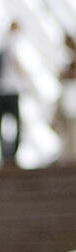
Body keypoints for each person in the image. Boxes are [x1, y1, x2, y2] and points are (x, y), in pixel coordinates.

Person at [0, 20, 29, 165]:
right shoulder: (11, 43)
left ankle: (4, 154)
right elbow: (15, 63)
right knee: (17, 124)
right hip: (11, 90)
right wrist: (25, 81)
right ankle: (12, 155)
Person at [51, 33, 76, 164]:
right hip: (67, 100)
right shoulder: (67, 61)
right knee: (66, 128)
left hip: (71, 101)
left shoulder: (72, 62)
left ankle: (70, 157)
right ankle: (68, 155)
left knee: (71, 130)